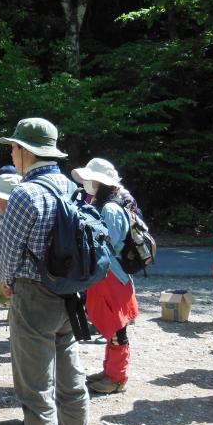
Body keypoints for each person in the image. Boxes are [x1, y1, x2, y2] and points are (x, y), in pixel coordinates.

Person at [0, 117, 89, 425]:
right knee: (71, 376)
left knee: (35, 385)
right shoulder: (72, 187)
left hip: (35, 295)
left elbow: (7, 255)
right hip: (72, 295)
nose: (12, 154)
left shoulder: (24, 193)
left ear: (26, 152)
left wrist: (6, 288)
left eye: (14, 148)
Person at [71, 158, 140, 394]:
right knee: (112, 328)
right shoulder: (112, 203)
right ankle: (110, 371)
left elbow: (106, 244)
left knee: (116, 328)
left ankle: (117, 378)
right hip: (111, 275)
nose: (87, 183)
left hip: (111, 275)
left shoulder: (109, 208)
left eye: (91, 179)